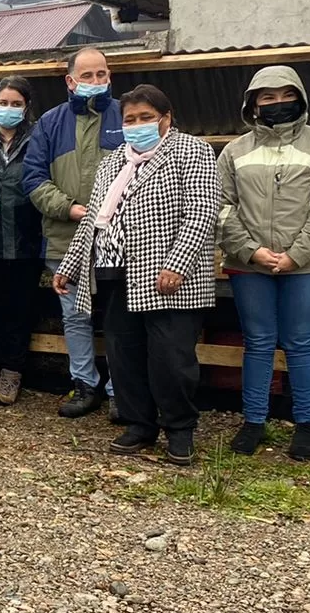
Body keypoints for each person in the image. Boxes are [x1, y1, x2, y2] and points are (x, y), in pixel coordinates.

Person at [53, 85, 217, 465]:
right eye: (130, 119)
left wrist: (178, 263)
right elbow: (93, 219)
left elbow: (201, 211)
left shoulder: (192, 151)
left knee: (171, 359)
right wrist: (70, 264)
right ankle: (139, 424)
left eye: (146, 117)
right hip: (115, 272)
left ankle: (179, 429)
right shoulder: (114, 161)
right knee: (124, 355)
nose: (137, 124)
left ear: (166, 118)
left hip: (167, 278)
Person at [217, 66, 310, 461]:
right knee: (257, 341)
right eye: (268, 97)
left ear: (300, 98)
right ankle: (253, 421)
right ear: (253, 104)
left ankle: (307, 425)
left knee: (300, 341)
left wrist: (296, 254)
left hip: (307, 265)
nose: (278, 103)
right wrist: (250, 250)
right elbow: (222, 208)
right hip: (249, 264)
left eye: (286, 95)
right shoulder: (234, 151)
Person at [23, 47, 124, 418]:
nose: (96, 81)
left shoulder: (126, 116)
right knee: (75, 316)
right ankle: (84, 384)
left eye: (101, 74)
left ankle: (120, 390)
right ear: (70, 81)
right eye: (87, 76)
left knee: (118, 317)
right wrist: (69, 208)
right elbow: (33, 179)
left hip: (119, 239)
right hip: (65, 237)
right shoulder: (50, 123)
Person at [0, 77, 44, 405]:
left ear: (26, 107)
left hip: (27, 241)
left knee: (20, 310)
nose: (9, 109)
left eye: (16, 104)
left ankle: (12, 373)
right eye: (4, 103)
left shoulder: (37, 140)